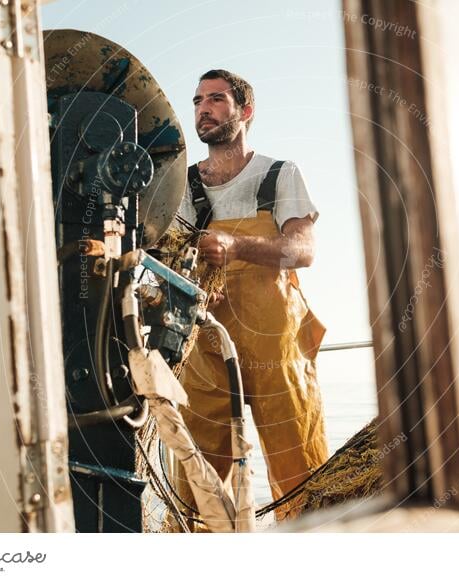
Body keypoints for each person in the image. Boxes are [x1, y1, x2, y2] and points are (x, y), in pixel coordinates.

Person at [174, 69, 328, 523]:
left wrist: (236, 246)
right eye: (199, 100)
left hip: (276, 345)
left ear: (246, 111)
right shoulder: (179, 185)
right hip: (205, 344)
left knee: (300, 471)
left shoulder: (279, 174)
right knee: (195, 487)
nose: (204, 108)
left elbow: (303, 250)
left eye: (217, 99)